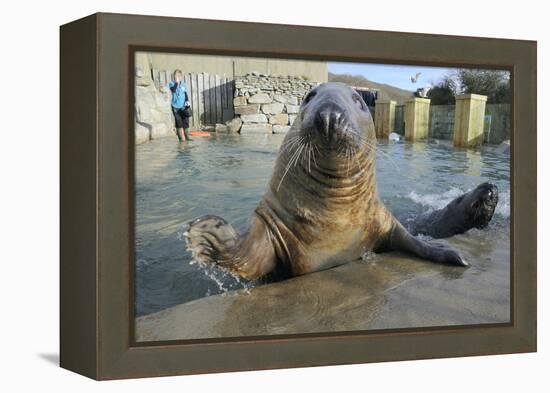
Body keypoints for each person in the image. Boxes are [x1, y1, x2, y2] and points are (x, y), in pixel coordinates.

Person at [168, 69, 192, 142]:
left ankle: (187, 136)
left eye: (179, 76)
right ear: (174, 76)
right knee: (179, 123)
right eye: (176, 76)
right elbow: (173, 90)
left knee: (186, 122)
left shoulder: (184, 84)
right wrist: (176, 83)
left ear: (181, 77)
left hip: (183, 107)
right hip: (175, 107)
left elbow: (185, 94)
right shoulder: (171, 83)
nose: (177, 77)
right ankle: (182, 139)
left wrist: (187, 102)